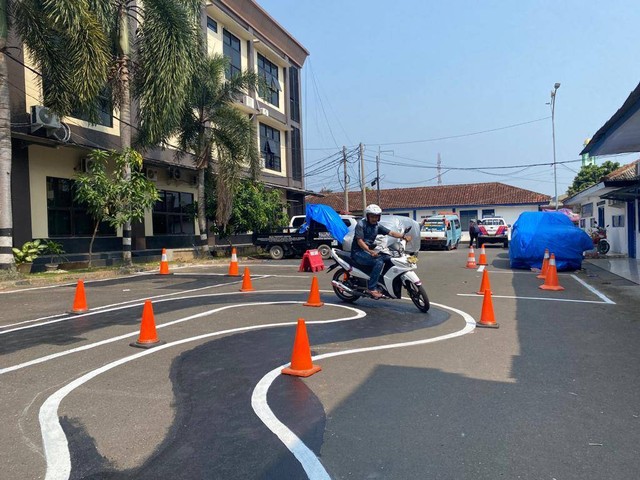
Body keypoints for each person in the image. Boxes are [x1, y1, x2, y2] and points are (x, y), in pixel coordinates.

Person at [351, 204, 412, 299]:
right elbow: (360, 241)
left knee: (389, 258)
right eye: (372, 216)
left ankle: (381, 281)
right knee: (378, 262)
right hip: (358, 252)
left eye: (376, 216)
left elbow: (391, 232)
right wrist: (370, 251)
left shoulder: (377, 226)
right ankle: (371, 288)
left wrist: (403, 236)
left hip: (369, 250)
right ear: (367, 216)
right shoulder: (361, 225)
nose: (374, 219)